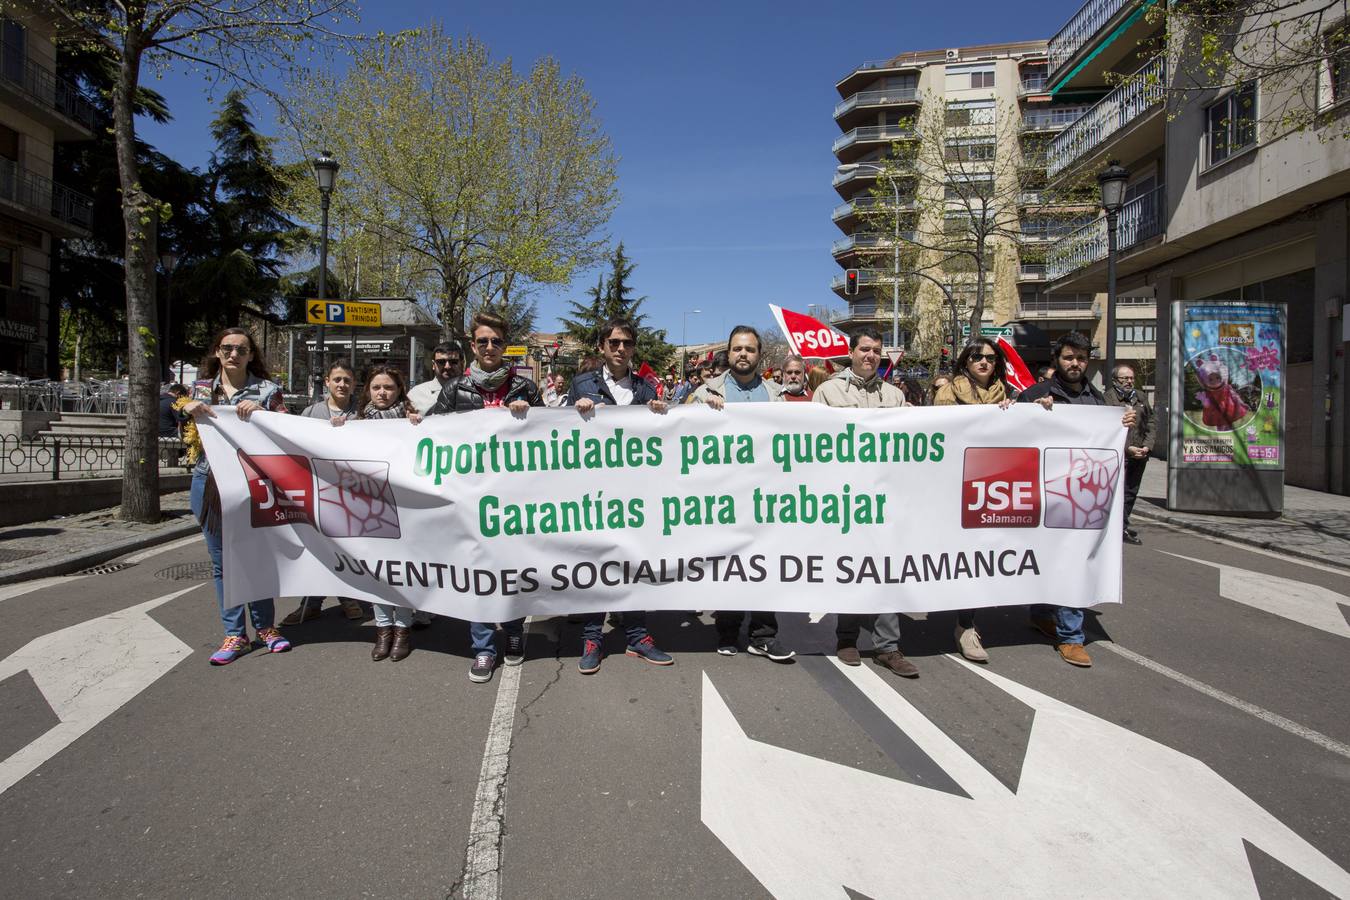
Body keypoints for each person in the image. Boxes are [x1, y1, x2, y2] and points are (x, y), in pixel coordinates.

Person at [426, 312, 543, 683]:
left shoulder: (524, 389)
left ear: (504, 345)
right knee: (477, 572)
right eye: (482, 342)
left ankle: (512, 632)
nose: (489, 347)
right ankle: (482, 647)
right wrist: (412, 423)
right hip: (471, 499)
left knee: (513, 568)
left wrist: (530, 417)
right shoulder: (453, 389)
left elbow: (554, 440)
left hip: (515, 499)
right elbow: (428, 434)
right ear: (472, 346)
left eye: (495, 341)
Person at [1016, 332, 1137, 668]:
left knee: (1072, 560)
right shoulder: (1036, 395)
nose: (1075, 364)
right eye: (1069, 357)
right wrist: (1033, 415)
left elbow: (1107, 444)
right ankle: (1042, 613)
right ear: (1058, 359)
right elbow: (1011, 435)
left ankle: (1071, 636)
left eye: (1081, 359)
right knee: (1045, 556)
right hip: (1040, 494)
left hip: (1079, 498)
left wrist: (1124, 427)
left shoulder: (1098, 402)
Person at [565, 317, 675, 673]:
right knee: (597, 564)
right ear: (602, 347)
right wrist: (574, 412)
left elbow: (660, 440)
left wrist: (660, 415)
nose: (620, 348)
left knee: (634, 563)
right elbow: (558, 435)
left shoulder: (645, 390)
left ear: (633, 348)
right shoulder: (582, 383)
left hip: (634, 495)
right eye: (613, 342)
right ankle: (593, 637)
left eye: (626, 343)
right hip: (594, 492)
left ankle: (637, 636)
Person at [180, 328, 292, 665]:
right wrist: (187, 409)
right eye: (227, 348)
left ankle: (267, 628)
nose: (233, 354)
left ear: (251, 355)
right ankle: (234, 634)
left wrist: (262, 414)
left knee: (256, 556)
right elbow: (175, 425)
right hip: (208, 483)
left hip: (253, 484)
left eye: (241, 349)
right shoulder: (198, 390)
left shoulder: (267, 391)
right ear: (216, 352)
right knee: (222, 562)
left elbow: (288, 430)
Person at [814, 327, 918, 678]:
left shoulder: (894, 396)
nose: (871, 355)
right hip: (844, 499)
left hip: (886, 499)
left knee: (887, 570)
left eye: (876, 350)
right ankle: (847, 638)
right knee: (851, 570)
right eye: (864, 349)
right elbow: (811, 444)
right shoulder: (827, 392)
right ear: (851, 352)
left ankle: (888, 647)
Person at [689, 326, 795, 661]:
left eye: (749, 349)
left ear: (759, 354)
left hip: (767, 496)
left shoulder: (778, 396)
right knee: (730, 564)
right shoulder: (706, 392)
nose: (743, 355)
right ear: (729, 354)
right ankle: (728, 631)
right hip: (724, 497)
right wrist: (701, 409)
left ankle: (764, 635)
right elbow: (680, 434)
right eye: (737, 349)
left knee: (766, 565)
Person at [933, 339, 1018, 663]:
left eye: (991, 358)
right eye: (977, 357)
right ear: (966, 362)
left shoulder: (1007, 397)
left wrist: (1025, 412)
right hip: (953, 485)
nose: (984, 362)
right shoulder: (948, 394)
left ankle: (966, 625)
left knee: (978, 556)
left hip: (988, 485)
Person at [334, 365, 423, 660]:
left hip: (405, 508)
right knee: (378, 572)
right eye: (376, 388)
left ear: (399, 391)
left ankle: (403, 629)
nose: (382, 393)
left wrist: (420, 426)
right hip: (370, 509)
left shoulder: (412, 422)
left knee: (402, 573)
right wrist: (333, 430)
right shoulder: (356, 422)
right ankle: (383, 629)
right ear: (368, 391)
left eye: (389, 388)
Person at [282, 361, 369, 626]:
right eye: (337, 379)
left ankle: (349, 597)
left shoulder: (362, 413)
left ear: (355, 385)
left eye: (347, 380)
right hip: (318, 491)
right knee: (317, 549)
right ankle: (311, 603)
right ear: (327, 382)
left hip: (353, 492)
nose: (342, 385)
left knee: (348, 548)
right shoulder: (311, 412)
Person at [1105, 363, 1155, 545]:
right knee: (1117, 494)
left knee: (1130, 493)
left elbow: (1151, 423)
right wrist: (1128, 448)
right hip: (1120, 456)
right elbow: (1109, 430)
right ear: (1115, 380)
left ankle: (1122, 526)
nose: (1129, 381)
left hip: (1140, 455)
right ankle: (1116, 528)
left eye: (1131, 378)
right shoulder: (1108, 399)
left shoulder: (1140, 397)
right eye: (1124, 378)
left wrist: (1147, 446)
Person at [408, 342, 464, 414]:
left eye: (453, 362)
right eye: (441, 362)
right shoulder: (416, 394)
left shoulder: (472, 391)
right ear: (433, 365)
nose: (447, 366)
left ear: (462, 364)